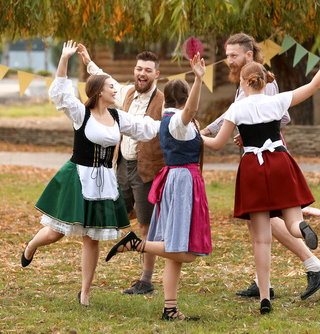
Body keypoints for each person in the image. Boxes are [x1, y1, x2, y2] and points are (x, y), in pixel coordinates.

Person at [202, 33, 320, 314]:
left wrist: (199, 138)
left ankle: (264, 299)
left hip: (253, 168)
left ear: (245, 83)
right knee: (292, 221)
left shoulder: (237, 106)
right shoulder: (277, 100)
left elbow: (218, 143)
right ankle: (301, 228)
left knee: (260, 238)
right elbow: (315, 84)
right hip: (280, 162)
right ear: (264, 80)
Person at [20, 40, 160, 306]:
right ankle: (31, 246)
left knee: (92, 238)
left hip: (104, 182)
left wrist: (177, 123)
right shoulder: (80, 113)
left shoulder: (119, 117)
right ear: (98, 92)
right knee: (55, 233)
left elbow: (146, 127)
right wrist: (64, 60)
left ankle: (84, 293)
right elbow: (60, 94)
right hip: (78, 178)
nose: (115, 90)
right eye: (110, 87)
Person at [106, 53, 210, 321]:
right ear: (184, 98)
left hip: (177, 182)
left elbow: (192, 127)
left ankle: (170, 309)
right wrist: (199, 78)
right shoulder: (178, 119)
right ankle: (137, 244)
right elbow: (191, 112)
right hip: (182, 184)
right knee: (183, 252)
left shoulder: (166, 120)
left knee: (176, 254)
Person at [78, 46, 165, 295]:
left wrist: (190, 121)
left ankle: (146, 281)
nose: (142, 73)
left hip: (146, 169)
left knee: (147, 227)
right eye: (139, 69)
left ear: (156, 74)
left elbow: (176, 116)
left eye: (148, 70)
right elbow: (107, 81)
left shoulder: (162, 99)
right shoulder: (124, 93)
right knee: (120, 212)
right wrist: (89, 62)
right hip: (121, 165)